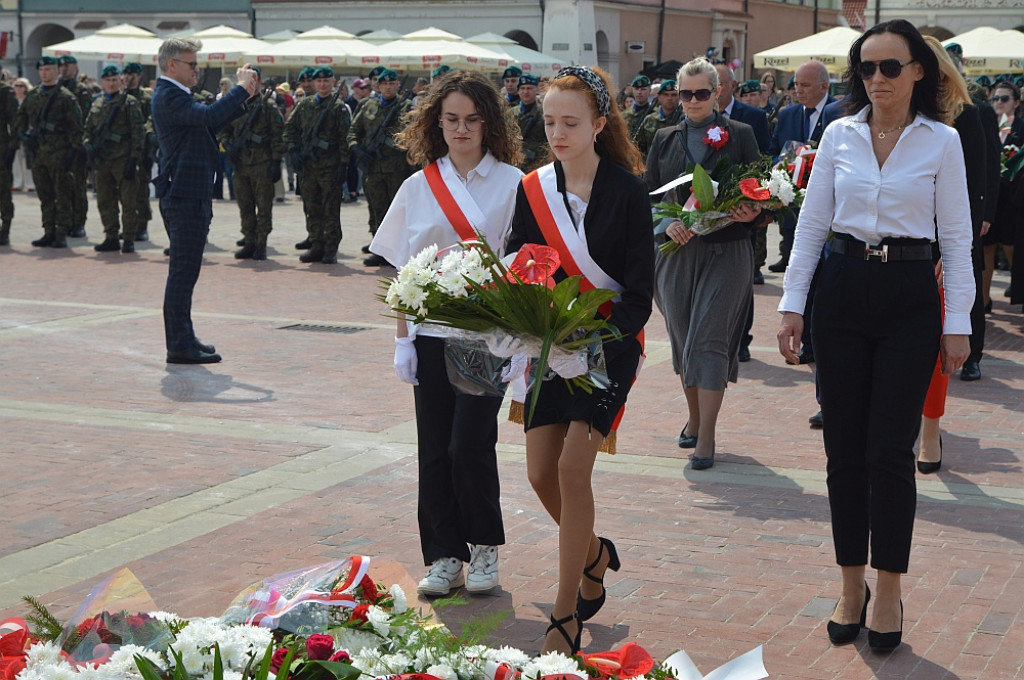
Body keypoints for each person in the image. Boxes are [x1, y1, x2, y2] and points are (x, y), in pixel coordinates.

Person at [777, 20, 973, 652]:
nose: (878, 79)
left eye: (891, 67)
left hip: (910, 299)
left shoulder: (942, 141)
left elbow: (959, 241)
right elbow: (810, 226)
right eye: (866, 68)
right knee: (843, 452)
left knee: (890, 452)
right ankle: (850, 583)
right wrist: (791, 304)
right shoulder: (838, 133)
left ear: (920, 70)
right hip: (840, 292)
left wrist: (959, 321)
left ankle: (889, 588)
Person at [507, 65, 653, 655]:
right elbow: (522, 262)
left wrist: (594, 335)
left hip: (607, 351)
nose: (559, 133)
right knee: (539, 474)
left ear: (599, 123)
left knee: (571, 469)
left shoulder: (629, 192)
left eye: (571, 122)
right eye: (549, 122)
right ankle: (594, 553)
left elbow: (640, 298)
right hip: (549, 347)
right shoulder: (532, 188)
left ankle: (566, 614)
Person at [368, 70, 524, 598]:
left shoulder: (513, 184)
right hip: (429, 334)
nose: (461, 129)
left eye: (472, 119)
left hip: (486, 337)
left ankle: (483, 546)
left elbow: (528, 264)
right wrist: (402, 339)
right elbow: (399, 269)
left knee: (470, 445)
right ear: (437, 122)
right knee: (434, 448)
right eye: (451, 119)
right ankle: (442, 555)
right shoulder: (418, 185)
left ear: (489, 123)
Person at [646, 58, 766, 470]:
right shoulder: (663, 138)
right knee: (683, 338)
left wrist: (755, 211)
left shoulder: (741, 134)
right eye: (685, 93)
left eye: (701, 93)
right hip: (677, 254)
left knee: (708, 340)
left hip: (726, 252)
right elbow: (649, 198)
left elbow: (762, 191)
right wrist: (666, 224)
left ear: (717, 93)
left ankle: (708, 437)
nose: (693, 101)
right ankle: (695, 418)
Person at [151, 37, 258, 364]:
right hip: (183, 195)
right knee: (182, 274)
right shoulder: (169, 95)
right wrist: (239, 90)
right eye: (192, 64)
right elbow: (209, 117)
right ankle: (179, 345)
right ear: (172, 65)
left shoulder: (177, 95)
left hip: (189, 193)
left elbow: (209, 124)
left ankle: (184, 337)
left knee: (187, 272)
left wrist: (244, 98)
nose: (197, 70)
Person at [767, 60, 836, 274]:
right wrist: (778, 166)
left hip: (826, 202)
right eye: (796, 84)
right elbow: (773, 151)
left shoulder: (839, 113)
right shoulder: (788, 114)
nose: (798, 90)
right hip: (792, 202)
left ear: (824, 86)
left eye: (805, 85)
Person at [13, 55, 83, 249]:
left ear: (56, 71)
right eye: (42, 70)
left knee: (62, 194)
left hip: (59, 152)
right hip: (38, 153)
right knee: (44, 195)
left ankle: (61, 232)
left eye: (49, 70)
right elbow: (21, 117)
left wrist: (73, 153)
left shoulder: (65, 96)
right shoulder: (33, 95)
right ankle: (48, 231)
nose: (45, 73)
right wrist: (22, 135)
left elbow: (77, 127)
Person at [283, 66, 350, 265]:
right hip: (308, 167)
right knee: (311, 208)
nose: (322, 84)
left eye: (326, 81)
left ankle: (330, 248)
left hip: (330, 168)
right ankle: (316, 245)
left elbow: (345, 138)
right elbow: (290, 130)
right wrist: (293, 150)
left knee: (330, 209)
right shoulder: (304, 105)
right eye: (318, 81)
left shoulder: (339, 108)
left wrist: (343, 165)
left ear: (333, 82)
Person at [348, 68, 415, 266]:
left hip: (397, 170)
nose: (388, 87)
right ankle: (379, 249)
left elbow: (412, 135)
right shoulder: (368, 105)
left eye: (391, 84)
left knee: (398, 212)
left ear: (397, 85)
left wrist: (393, 142)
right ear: (378, 86)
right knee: (376, 209)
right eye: (384, 84)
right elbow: (353, 131)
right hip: (372, 167)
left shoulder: (406, 107)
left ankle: (398, 251)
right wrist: (357, 149)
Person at [221, 67, 285, 261]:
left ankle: (261, 244)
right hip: (240, 163)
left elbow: (278, 135)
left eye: (255, 79)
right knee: (245, 205)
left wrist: (276, 161)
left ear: (259, 82)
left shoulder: (269, 106)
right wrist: (228, 144)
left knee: (263, 206)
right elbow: (223, 128)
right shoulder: (233, 104)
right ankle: (249, 241)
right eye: (248, 79)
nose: (251, 83)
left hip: (262, 163)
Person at [83, 65, 146, 254]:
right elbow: (88, 129)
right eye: (108, 80)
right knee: (105, 200)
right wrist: (87, 144)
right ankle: (111, 236)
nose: (111, 83)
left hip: (123, 159)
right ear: (102, 82)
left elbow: (138, 132)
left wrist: (134, 159)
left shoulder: (129, 102)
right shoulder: (97, 103)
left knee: (128, 202)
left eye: (114, 80)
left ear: (120, 81)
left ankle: (128, 238)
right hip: (102, 161)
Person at [981, 81, 1023, 311]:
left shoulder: (1021, 127)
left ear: (1016, 103)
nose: (998, 102)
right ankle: (985, 301)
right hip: (991, 196)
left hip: (1013, 198)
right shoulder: (988, 124)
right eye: (995, 98)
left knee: (1011, 247)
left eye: (1004, 98)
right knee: (987, 246)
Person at [57, 55, 93, 238]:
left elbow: (86, 119)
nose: (64, 69)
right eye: (61, 66)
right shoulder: (56, 89)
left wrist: (79, 146)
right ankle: (64, 221)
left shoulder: (81, 90)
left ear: (75, 67)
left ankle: (78, 223)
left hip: (76, 146)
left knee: (78, 187)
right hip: (58, 146)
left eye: (67, 65)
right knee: (61, 187)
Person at [122, 63, 155, 242]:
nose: (128, 77)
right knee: (126, 192)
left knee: (141, 191)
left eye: (132, 74)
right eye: (126, 74)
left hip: (141, 153)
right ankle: (129, 225)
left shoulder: (146, 99)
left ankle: (142, 226)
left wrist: (149, 154)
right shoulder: (120, 98)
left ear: (139, 76)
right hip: (122, 152)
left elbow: (150, 127)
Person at [634, 79, 681, 156]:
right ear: (659, 97)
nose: (669, 98)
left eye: (673, 95)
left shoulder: (684, 120)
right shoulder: (649, 119)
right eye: (666, 94)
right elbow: (637, 145)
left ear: (679, 97)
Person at [516, 73, 548, 173]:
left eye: (529, 88)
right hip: (515, 164)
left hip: (537, 166)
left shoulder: (544, 113)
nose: (525, 91)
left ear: (536, 89)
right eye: (522, 88)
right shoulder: (510, 113)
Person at [10, 78, 35, 198]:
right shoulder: (11, 101)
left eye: (21, 86)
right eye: (16, 85)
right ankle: (17, 182)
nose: (19, 88)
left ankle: (30, 184)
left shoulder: (29, 100)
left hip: (26, 132)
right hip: (14, 133)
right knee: (16, 159)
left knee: (28, 160)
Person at [0, 73, 16, 246]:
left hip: (1, 146)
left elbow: (15, 120)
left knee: (3, 191)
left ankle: (5, 229)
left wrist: (13, 146)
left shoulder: (5, 91)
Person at [623, 75, 657, 141]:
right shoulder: (624, 115)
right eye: (636, 89)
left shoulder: (655, 114)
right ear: (633, 90)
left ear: (649, 90)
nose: (639, 92)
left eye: (643, 89)